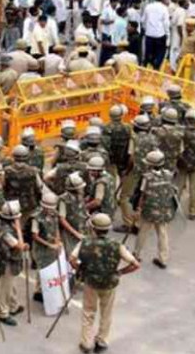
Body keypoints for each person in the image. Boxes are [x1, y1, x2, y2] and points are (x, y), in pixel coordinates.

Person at [70, 214, 140, 354]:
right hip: (109, 283)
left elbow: (72, 258)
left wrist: (80, 270)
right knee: (106, 313)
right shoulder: (117, 245)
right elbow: (135, 264)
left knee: (88, 312)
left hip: (91, 282)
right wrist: (119, 273)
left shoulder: (85, 242)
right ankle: (101, 341)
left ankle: (86, 343)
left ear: (93, 228)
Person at [133, 150, 177, 269]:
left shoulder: (147, 177)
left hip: (149, 210)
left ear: (150, 164)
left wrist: (138, 209)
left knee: (143, 231)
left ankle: (137, 254)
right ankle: (163, 259)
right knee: (163, 234)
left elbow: (142, 195)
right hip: (165, 209)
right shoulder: (169, 174)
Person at [0, 200, 28, 326]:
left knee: (11, 284)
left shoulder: (6, 224)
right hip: (6, 261)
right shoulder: (6, 231)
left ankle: (13, 306)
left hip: (12, 260)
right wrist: (19, 230)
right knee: (5, 288)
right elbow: (19, 245)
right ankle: (3, 313)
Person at [178, 109, 195, 220]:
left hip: (183, 163)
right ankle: (193, 211)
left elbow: (179, 150)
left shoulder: (181, 132)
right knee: (193, 188)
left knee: (179, 186)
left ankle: (171, 209)